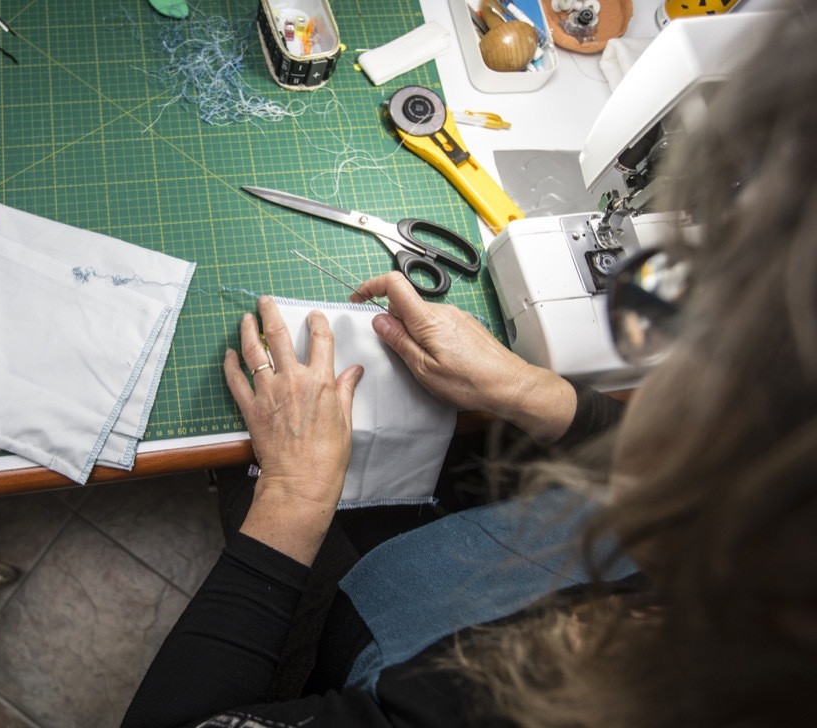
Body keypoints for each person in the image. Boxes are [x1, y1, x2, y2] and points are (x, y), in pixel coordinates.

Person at [123, 5, 817, 726]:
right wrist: (534, 391)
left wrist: (293, 493)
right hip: (562, 580)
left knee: (262, 483)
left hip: (419, 649)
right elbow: (705, 476)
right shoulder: (775, 515)